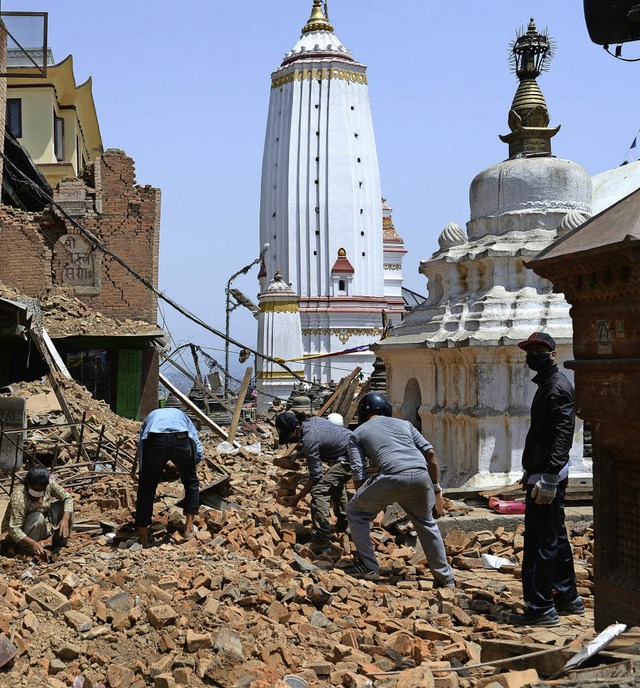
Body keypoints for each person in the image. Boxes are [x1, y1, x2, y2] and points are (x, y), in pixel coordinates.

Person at [510, 332, 584, 627]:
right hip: (543, 472)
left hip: (549, 476)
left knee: (541, 542)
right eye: (530, 352)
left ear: (553, 354)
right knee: (556, 537)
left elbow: (563, 435)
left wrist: (550, 475)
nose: (533, 357)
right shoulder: (549, 385)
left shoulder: (555, 388)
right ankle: (568, 598)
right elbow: (546, 434)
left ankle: (540, 608)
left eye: (539, 351)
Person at [345, 392, 454, 586]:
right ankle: (446, 579)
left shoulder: (358, 433)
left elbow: (358, 472)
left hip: (392, 475)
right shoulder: (405, 424)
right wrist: (436, 488)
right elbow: (429, 453)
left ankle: (368, 566)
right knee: (426, 523)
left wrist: (365, 502)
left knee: (355, 511)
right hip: (421, 476)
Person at [275, 396, 352, 554]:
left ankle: (321, 541)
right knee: (334, 483)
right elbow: (321, 445)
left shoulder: (309, 438)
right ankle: (346, 526)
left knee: (319, 491)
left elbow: (315, 476)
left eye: (290, 436)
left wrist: (297, 498)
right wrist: (297, 455)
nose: (292, 440)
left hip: (352, 457)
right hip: (350, 452)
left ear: (296, 429)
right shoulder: (312, 422)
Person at [136, 407, 203, 548]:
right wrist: (195, 461)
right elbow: (194, 438)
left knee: (146, 487)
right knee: (191, 483)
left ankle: (143, 537)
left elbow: (141, 441)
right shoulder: (183, 416)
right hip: (181, 440)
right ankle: (188, 529)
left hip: (155, 440)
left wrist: (143, 468)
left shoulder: (151, 415)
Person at [1, 465, 74, 557]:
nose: (38, 492)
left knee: (65, 508)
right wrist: (33, 543)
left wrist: (65, 519)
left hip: (43, 524)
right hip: (22, 535)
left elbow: (67, 498)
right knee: (37, 517)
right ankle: (27, 550)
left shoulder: (48, 485)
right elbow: (14, 529)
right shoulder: (19, 497)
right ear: (28, 484)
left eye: (41, 490)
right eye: (35, 489)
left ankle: (59, 544)